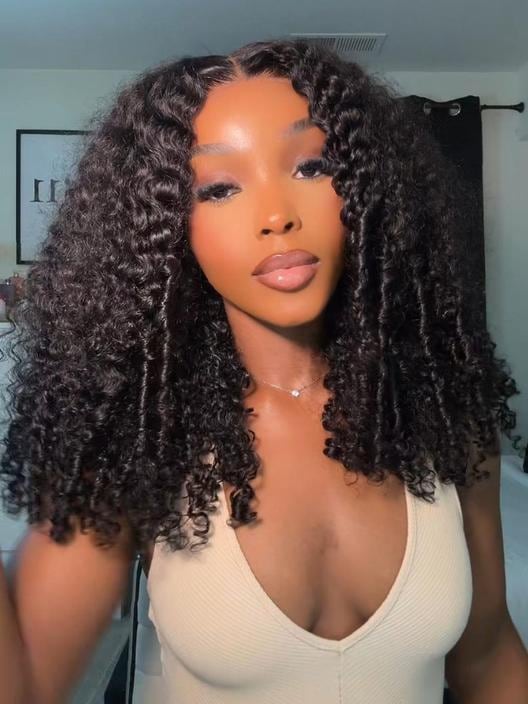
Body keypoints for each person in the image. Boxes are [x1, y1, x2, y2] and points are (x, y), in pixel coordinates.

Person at [1, 38, 526, 704]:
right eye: (220, 188)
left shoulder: (446, 419)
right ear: (166, 229)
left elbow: (488, 659)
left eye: (311, 167)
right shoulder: (136, 438)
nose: (277, 216)